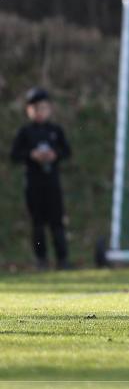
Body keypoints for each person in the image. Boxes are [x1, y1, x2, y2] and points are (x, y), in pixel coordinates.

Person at [10, 87, 72, 270]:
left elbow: (67, 152)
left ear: (49, 109)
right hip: (33, 184)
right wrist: (31, 155)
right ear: (29, 110)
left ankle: (62, 259)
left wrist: (55, 155)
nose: (40, 112)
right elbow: (15, 155)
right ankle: (41, 259)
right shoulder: (25, 132)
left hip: (52, 183)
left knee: (57, 223)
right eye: (35, 108)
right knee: (38, 225)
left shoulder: (55, 131)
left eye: (43, 108)